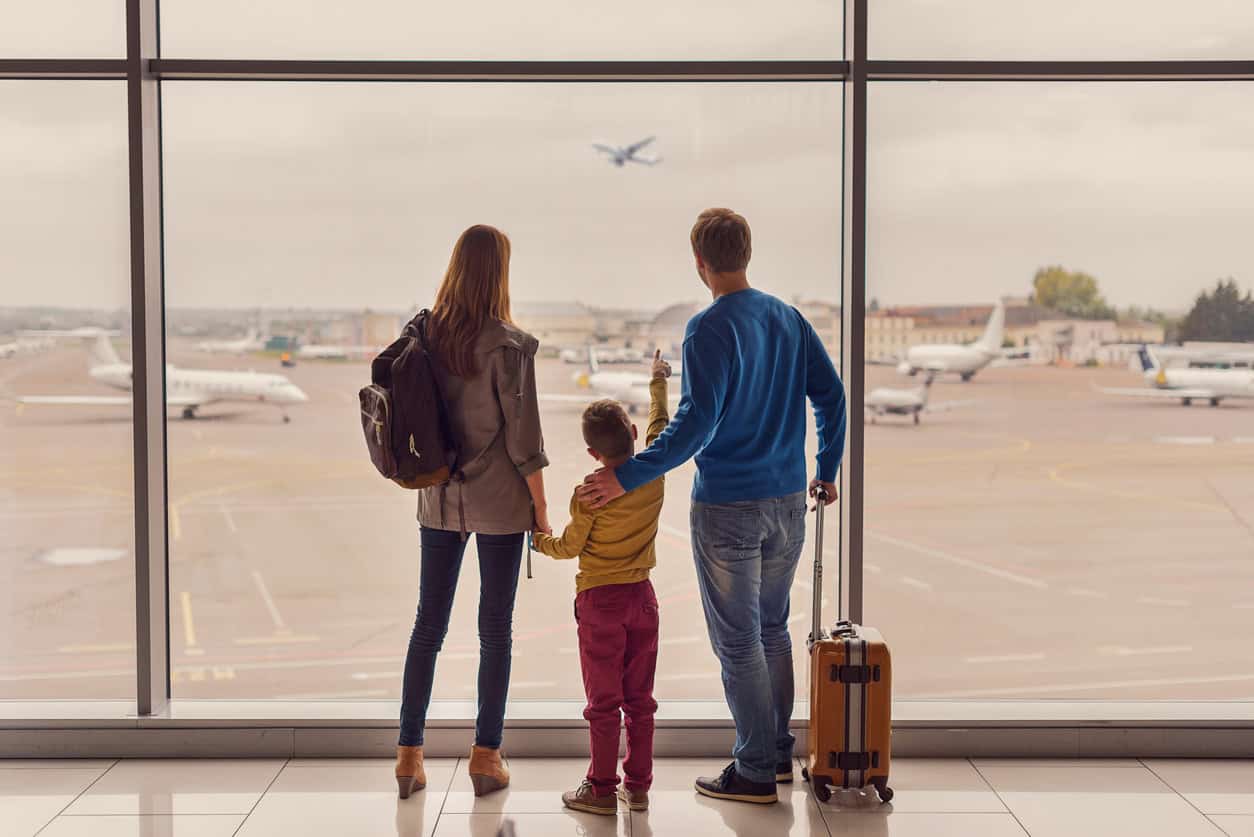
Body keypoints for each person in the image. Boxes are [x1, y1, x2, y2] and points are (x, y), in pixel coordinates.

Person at [579, 208, 846, 805]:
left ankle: (753, 771)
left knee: (738, 643)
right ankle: (775, 754)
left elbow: (695, 426)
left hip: (729, 505)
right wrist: (825, 469)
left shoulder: (707, 328)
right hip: (786, 503)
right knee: (772, 629)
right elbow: (832, 396)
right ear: (746, 253)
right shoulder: (788, 319)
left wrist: (629, 475)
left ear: (700, 264)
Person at [395, 224, 551, 800]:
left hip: (437, 498)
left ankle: (409, 755)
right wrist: (540, 508)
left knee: (426, 627)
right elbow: (524, 440)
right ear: (500, 272)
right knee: (496, 631)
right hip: (501, 504)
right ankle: (486, 756)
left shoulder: (424, 335)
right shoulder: (511, 346)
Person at [532, 350, 672, 816]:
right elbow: (661, 424)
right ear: (631, 435)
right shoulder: (653, 472)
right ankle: (639, 786)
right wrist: (657, 381)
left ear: (593, 453)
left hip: (600, 604)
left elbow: (569, 546)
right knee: (640, 701)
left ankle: (600, 788)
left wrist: (540, 541)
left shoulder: (588, 493)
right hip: (643, 599)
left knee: (603, 703)